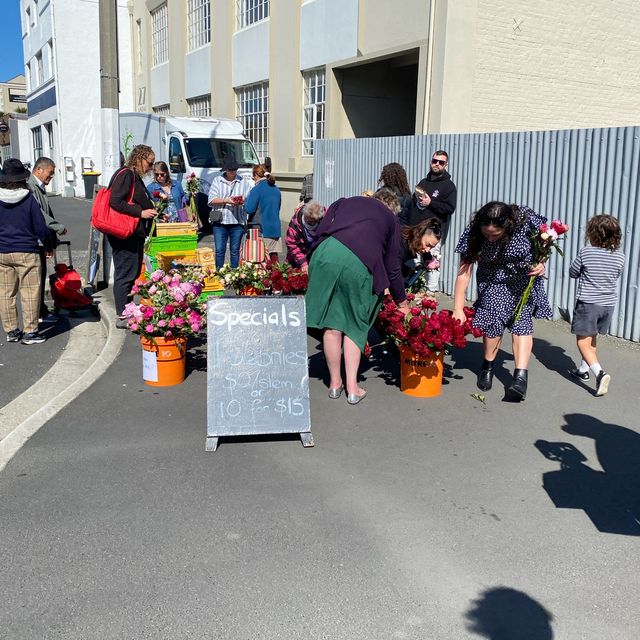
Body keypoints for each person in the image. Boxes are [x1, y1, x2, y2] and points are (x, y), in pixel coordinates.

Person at [306, 192, 410, 405]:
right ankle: (352, 389)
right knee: (354, 325)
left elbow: (321, 230)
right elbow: (392, 266)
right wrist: (402, 301)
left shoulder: (343, 201)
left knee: (331, 324)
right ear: (391, 208)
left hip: (325, 255)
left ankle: (335, 384)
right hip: (358, 264)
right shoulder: (391, 220)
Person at [452, 201, 551, 401]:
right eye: (486, 233)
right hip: (492, 281)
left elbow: (545, 245)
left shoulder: (526, 224)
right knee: (493, 322)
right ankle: (487, 366)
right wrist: (458, 308)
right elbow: (464, 273)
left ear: (508, 226)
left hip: (523, 280)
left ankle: (520, 378)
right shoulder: (473, 233)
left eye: (495, 234)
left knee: (521, 323)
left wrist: (541, 264)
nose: (489, 237)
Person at [568, 214, 625, 396]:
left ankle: (600, 373)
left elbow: (573, 272)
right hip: (607, 305)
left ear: (592, 234)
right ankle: (583, 370)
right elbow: (615, 275)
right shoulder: (620, 256)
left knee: (582, 341)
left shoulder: (586, 252)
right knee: (591, 337)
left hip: (588, 303)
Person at [0, 158, 54, 344]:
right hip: (26, 251)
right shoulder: (28, 198)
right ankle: (30, 332)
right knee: (30, 292)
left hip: (2, 251)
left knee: (6, 292)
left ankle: (12, 331)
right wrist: (48, 246)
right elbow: (40, 227)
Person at [106, 144, 157, 328]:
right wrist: (140, 213)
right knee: (125, 273)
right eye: (149, 163)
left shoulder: (134, 177)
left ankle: (127, 309)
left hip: (132, 233)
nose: (150, 168)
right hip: (124, 235)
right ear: (139, 158)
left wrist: (150, 211)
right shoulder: (127, 174)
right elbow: (115, 201)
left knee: (132, 271)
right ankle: (122, 315)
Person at [403, 150, 457, 294]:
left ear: (446, 164)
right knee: (412, 260)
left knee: (431, 262)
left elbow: (449, 208)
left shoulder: (448, 186)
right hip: (416, 231)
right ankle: (412, 289)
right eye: (435, 161)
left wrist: (431, 202)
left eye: (441, 162)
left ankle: (430, 293)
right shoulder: (423, 182)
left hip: (433, 232)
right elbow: (415, 206)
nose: (437, 164)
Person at [27, 157, 67, 323]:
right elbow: (40, 215)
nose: (51, 177)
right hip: (35, 240)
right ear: (39, 170)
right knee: (36, 279)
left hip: (40, 239)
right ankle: (39, 314)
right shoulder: (31, 186)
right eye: (49, 174)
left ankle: (41, 311)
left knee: (40, 277)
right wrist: (58, 227)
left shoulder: (38, 186)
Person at [207, 155, 253, 269]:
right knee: (219, 250)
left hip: (237, 221)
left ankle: (234, 275)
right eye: (230, 169)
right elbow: (211, 200)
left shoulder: (243, 181)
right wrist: (226, 200)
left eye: (234, 169)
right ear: (225, 170)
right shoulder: (217, 180)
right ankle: (219, 273)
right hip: (220, 221)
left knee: (235, 251)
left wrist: (242, 202)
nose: (232, 171)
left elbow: (248, 198)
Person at [244, 164, 282, 264]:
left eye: (253, 176)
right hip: (275, 228)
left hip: (260, 228)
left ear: (256, 175)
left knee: (259, 260)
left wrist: (244, 202)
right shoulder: (276, 189)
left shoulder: (256, 189)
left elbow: (249, 209)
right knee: (274, 259)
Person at [400, 218, 442, 290]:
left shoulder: (411, 245)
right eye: (427, 244)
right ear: (420, 234)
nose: (427, 250)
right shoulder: (401, 243)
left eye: (431, 247)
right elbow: (393, 269)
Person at [285, 200, 325, 270]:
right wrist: (303, 263)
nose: (312, 223)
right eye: (310, 221)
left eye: (314, 221)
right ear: (305, 216)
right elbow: (291, 245)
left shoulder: (323, 216)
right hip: (297, 260)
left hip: (314, 259)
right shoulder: (294, 226)